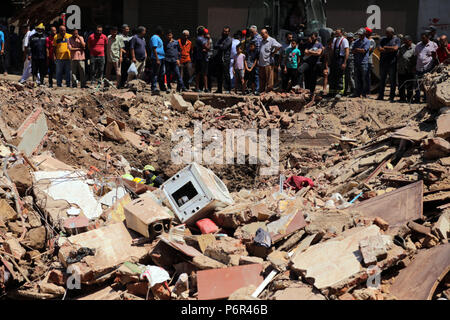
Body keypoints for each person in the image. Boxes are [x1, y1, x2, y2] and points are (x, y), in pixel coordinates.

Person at [377, 27, 401, 101]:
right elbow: (379, 49)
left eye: (388, 33)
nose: (386, 34)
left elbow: (395, 49)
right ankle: (380, 96)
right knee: (382, 80)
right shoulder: (383, 39)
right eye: (386, 33)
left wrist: (385, 47)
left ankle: (391, 97)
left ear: (392, 33)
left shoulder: (397, 39)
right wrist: (390, 49)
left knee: (392, 81)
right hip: (383, 62)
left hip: (392, 63)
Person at [414, 32, 438, 103]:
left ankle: (426, 99)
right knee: (417, 84)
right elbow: (415, 56)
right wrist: (414, 66)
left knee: (427, 84)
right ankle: (417, 99)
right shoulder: (418, 45)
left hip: (428, 68)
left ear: (428, 38)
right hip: (418, 68)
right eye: (421, 38)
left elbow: (436, 57)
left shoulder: (433, 45)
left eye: (424, 38)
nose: (422, 39)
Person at [258, 28, 281, 93]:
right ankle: (261, 91)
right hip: (261, 62)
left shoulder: (271, 40)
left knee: (269, 79)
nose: (262, 36)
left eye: (263, 34)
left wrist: (273, 52)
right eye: (261, 35)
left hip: (268, 62)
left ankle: (268, 91)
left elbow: (279, 46)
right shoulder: (262, 41)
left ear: (266, 33)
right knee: (262, 78)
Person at [329, 28, 349, 98]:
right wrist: (331, 59)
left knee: (339, 75)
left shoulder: (344, 40)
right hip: (334, 59)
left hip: (340, 59)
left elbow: (347, 51)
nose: (336, 34)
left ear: (341, 33)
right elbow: (332, 50)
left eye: (337, 33)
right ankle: (332, 91)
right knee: (332, 75)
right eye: (335, 33)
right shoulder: (334, 40)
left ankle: (340, 92)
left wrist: (344, 62)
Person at [351, 28, 371, 98]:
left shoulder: (367, 41)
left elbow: (364, 50)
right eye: (359, 34)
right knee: (357, 78)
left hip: (364, 62)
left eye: (361, 35)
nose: (360, 36)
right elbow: (352, 51)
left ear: (364, 34)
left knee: (364, 78)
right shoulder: (356, 41)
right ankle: (357, 93)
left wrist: (357, 50)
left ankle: (365, 93)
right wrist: (357, 50)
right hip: (357, 62)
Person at [397, 35, 416, 102]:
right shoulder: (402, 47)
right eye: (404, 41)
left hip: (410, 69)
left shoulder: (414, 47)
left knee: (410, 85)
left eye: (406, 41)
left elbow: (416, 58)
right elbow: (399, 56)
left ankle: (409, 98)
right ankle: (402, 98)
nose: (405, 43)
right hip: (402, 69)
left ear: (410, 41)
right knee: (401, 85)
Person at [214, 26, 232, 93]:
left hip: (225, 59)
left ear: (228, 32)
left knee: (226, 74)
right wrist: (220, 45)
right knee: (219, 75)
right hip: (219, 59)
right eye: (224, 31)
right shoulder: (220, 39)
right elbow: (215, 46)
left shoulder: (229, 39)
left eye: (226, 31)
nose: (225, 33)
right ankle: (219, 89)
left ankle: (228, 89)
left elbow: (224, 47)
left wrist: (220, 45)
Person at [149, 26, 166, 94]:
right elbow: (154, 48)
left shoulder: (159, 38)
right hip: (157, 58)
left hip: (162, 57)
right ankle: (154, 87)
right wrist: (157, 59)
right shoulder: (154, 38)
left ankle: (162, 86)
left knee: (162, 73)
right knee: (155, 73)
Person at [194, 27, 210, 92]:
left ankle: (203, 88)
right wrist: (208, 40)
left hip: (202, 57)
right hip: (201, 58)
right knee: (201, 73)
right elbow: (207, 48)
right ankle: (201, 88)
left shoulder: (200, 38)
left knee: (202, 73)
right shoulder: (201, 39)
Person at [248, 25, 263, 93]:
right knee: (252, 75)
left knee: (257, 74)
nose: (251, 33)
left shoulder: (258, 38)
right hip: (251, 58)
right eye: (250, 32)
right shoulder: (251, 38)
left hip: (256, 58)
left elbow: (258, 49)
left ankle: (257, 89)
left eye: (252, 32)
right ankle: (252, 89)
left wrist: (257, 59)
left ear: (256, 31)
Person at [365, 27, 376, 95]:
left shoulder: (371, 41)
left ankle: (368, 92)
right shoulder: (364, 40)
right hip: (363, 61)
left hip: (368, 61)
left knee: (367, 76)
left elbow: (368, 50)